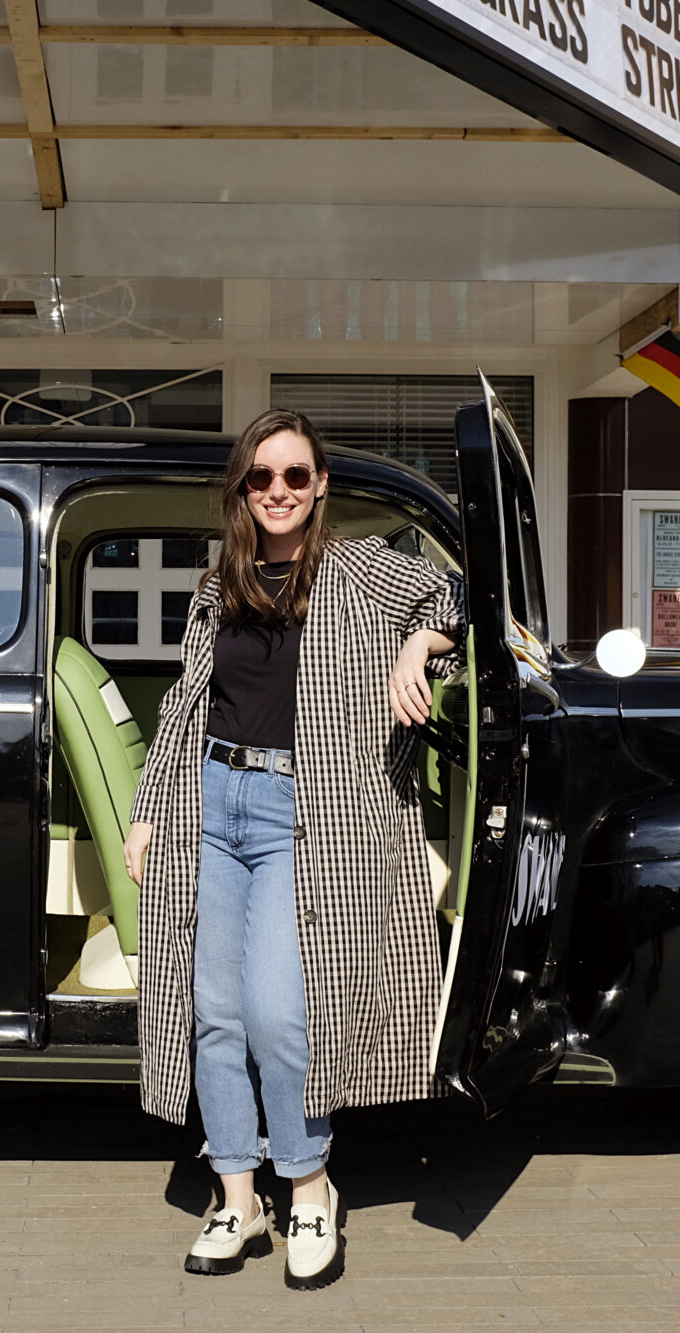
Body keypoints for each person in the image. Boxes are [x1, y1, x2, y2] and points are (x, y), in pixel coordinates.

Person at [122, 407, 464, 1291]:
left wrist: (419, 648)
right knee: (214, 1012)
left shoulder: (359, 570)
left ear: (319, 489)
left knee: (281, 1010)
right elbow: (185, 705)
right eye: (261, 478)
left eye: (296, 477)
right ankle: (237, 1194)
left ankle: (309, 1184)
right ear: (242, 489)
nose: (279, 492)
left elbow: (457, 598)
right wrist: (152, 808)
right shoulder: (216, 587)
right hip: (212, 800)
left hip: (304, 814)